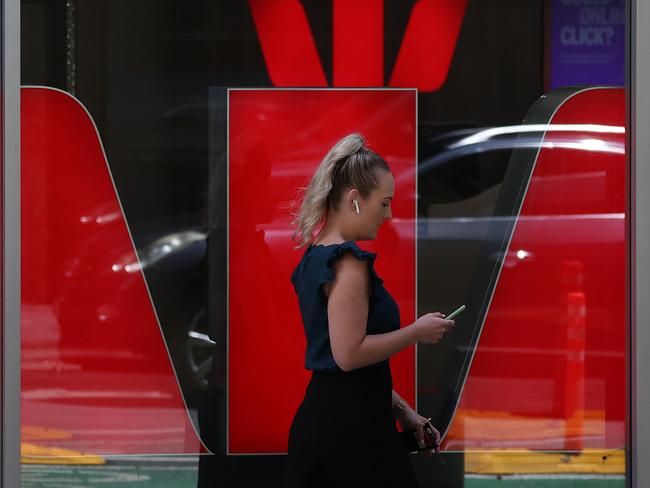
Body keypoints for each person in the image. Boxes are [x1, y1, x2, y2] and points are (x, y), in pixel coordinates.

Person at [284, 133, 456, 488]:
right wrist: (417, 332)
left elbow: (344, 366)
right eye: (384, 203)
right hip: (350, 436)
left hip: (339, 426)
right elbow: (348, 355)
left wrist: (404, 412)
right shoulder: (348, 262)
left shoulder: (317, 256)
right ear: (355, 200)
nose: (390, 215)